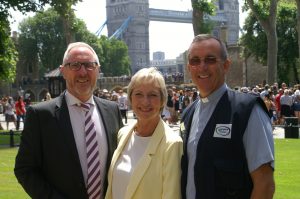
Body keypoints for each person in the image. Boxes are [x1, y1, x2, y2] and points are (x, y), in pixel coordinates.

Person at [15, 42, 123, 199]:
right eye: (75, 65)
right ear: (63, 71)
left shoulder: (112, 110)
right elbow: (24, 169)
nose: (83, 72)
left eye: (89, 65)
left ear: (98, 70)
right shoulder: (41, 115)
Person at [180, 34, 275, 199]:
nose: (202, 67)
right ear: (189, 68)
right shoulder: (188, 114)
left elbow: (265, 184)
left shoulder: (247, 110)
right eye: (195, 61)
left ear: (226, 65)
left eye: (210, 60)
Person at [105, 67, 183, 199]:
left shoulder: (171, 144)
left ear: (162, 100)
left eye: (152, 95)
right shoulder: (123, 134)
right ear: (130, 98)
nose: (145, 102)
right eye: (138, 94)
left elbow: (172, 195)